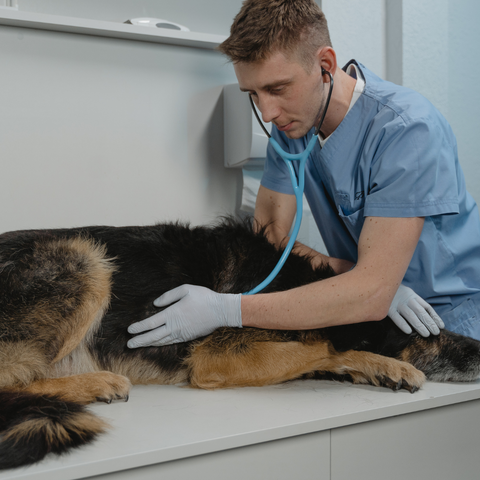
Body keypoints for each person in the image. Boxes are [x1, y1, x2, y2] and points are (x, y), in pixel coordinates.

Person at [127, 0, 480, 349]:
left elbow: (372, 294)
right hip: (377, 315)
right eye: (254, 93)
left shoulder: (406, 130)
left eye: (278, 89)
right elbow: (269, 236)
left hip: (456, 317)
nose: (267, 112)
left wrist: (226, 310)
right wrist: (352, 277)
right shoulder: (293, 128)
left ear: (325, 64)